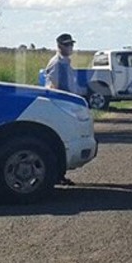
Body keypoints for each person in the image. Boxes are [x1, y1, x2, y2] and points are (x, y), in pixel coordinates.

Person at [44, 33, 78, 185]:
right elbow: (53, 86)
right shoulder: (56, 63)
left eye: (71, 44)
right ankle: (57, 175)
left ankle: (60, 174)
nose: (70, 47)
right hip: (60, 105)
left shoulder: (65, 62)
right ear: (59, 46)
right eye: (67, 44)